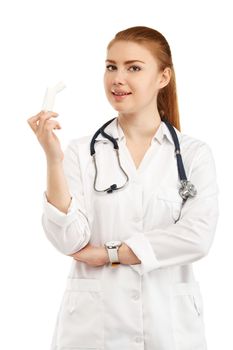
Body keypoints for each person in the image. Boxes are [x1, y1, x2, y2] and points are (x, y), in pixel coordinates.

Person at [27, 26, 219, 350]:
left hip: (169, 329)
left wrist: (110, 254)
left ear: (163, 77)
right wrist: (53, 159)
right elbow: (69, 239)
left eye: (133, 68)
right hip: (93, 331)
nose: (117, 78)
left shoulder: (193, 154)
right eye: (111, 66)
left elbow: (197, 237)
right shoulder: (79, 151)